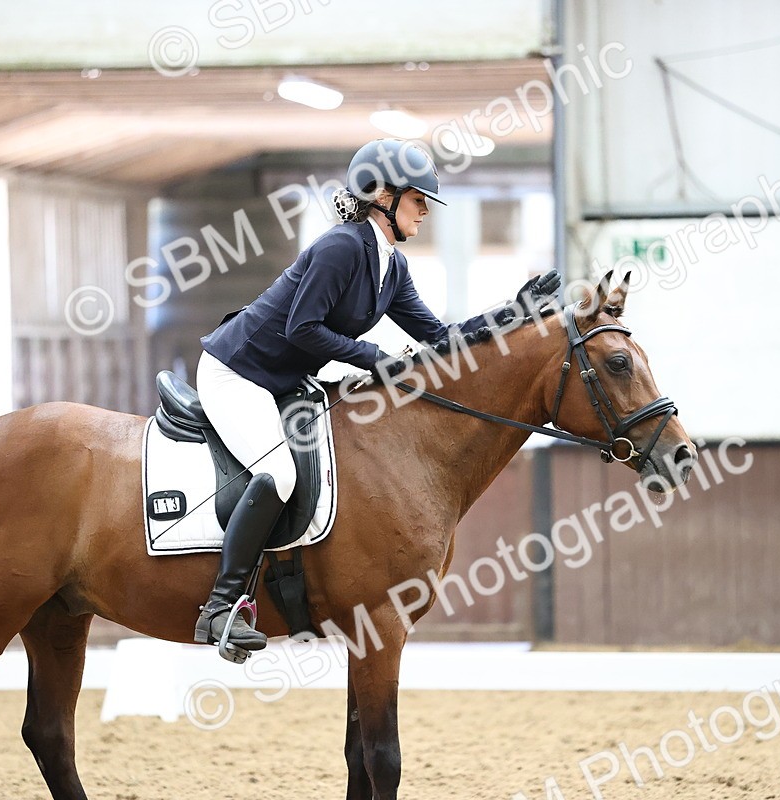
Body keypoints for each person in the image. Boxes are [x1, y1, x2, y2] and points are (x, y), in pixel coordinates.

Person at [194, 138, 560, 654]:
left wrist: (514, 313)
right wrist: (375, 358)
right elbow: (302, 329)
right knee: (277, 474)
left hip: (284, 380)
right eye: (418, 200)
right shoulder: (340, 248)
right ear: (382, 196)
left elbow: (439, 337)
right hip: (239, 373)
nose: (425, 212)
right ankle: (221, 609)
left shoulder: (391, 267)